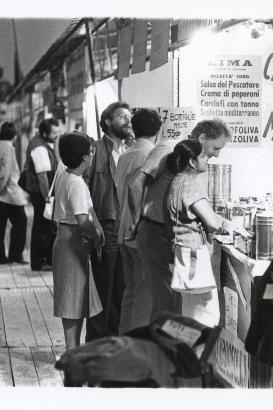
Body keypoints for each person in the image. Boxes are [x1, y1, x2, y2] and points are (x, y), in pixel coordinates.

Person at [129, 118, 230, 322]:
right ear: (202, 138)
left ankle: (172, 350)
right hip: (156, 233)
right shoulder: (168, 149)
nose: (217, 154)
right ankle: (162, 351)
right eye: (215, 147)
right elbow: (136, 185)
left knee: (176, 303)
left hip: (170, 236)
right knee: (167, 303)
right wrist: (137, 221)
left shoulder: (192, 165)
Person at [165, 139, 233, 326]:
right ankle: (195, 353)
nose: (207, 159)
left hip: (182, 250)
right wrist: (224, 224)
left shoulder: (177, 181)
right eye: (203, 156)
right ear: (192, 162)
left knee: (190, 311)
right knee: (206, 313)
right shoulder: (191, 184)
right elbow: (211, 222)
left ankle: (185, 352)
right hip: (193, 252)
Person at [84, 101, 133, 341]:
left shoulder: (131, 149)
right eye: (122, 116)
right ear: (107, 122)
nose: (128, 120)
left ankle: (116, 338)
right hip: (106, 225)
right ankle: (97, 341)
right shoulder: (95, 150)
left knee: (124, 288)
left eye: (129, 116)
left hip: (129, 227)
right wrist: (93, 223)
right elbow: (83, 187)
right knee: (104, 287)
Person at [52, 131, 103, 350]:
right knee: (74, 300)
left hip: (64, 240)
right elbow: (83, 220)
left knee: (73, 298)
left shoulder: (64, 175)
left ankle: (72, 348)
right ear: (85, 156)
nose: (92, 157)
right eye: (91, 152)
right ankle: (72, 350)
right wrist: (97, 236)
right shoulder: (76, 183)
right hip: (73, 241)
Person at [116, 108, 162, 334]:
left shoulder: (125, 154)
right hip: (138, 232)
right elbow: (137, 188)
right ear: (158, 129)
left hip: (123, 229)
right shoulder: (151, 154)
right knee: (145, 296)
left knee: (131, 292)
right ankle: (138, 348)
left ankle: (123, 341)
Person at [0, 122, 28, 265]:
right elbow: (6, 172)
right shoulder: (9, 148)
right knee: (21, 222)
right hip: (10, 193)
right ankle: (15, 255)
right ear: (14, 136)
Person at [25, 118, 63, 271]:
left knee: (44, 226)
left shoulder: (40, 143)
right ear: (44, 133)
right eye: (54, 133)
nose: (57, 135)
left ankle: (44, 260)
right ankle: (39, 262)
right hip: (41, 193)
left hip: (41, 192)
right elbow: (42, 176)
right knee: (42, 227)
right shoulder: (39, 148)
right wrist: (47, 196)